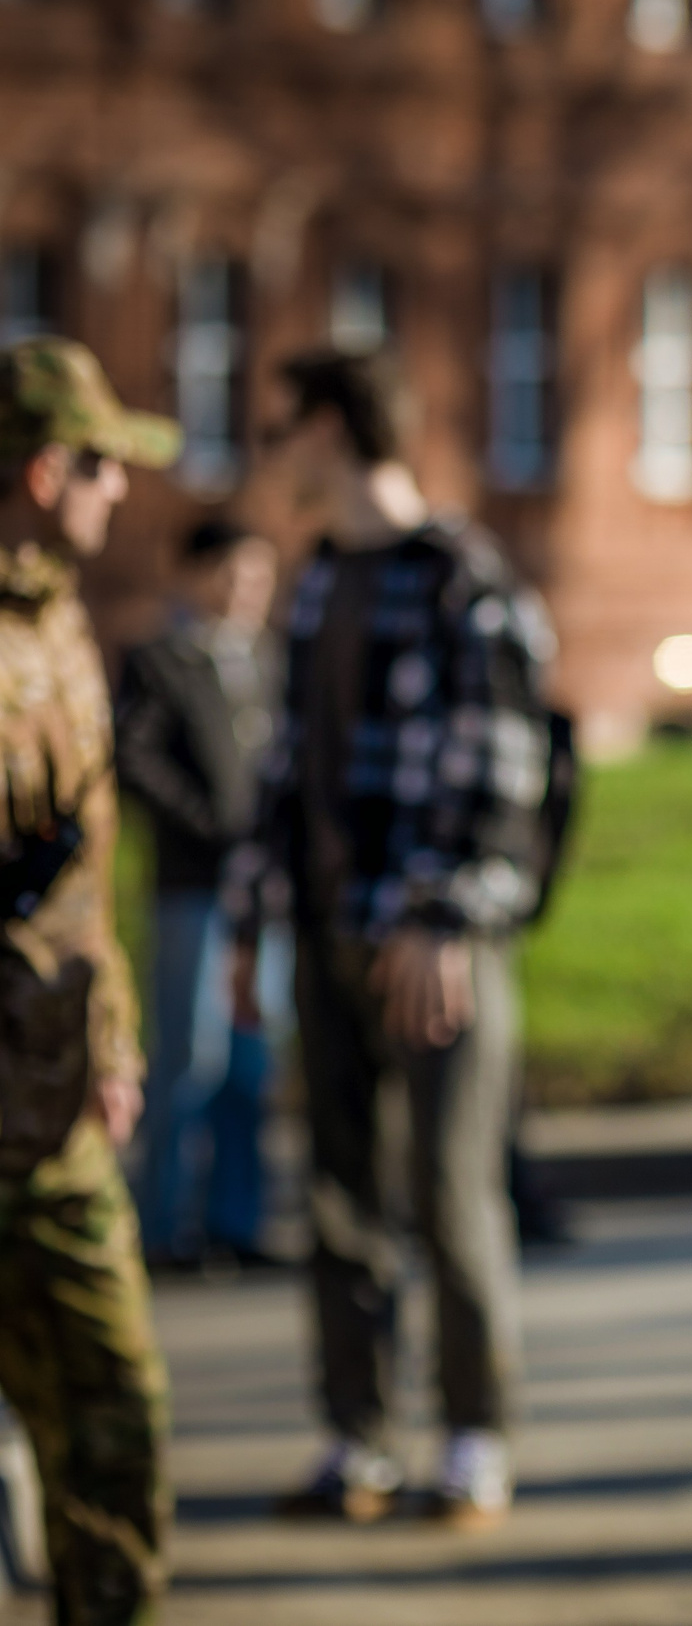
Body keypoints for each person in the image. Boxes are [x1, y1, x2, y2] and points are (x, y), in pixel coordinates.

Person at [229, 349, 555, 1530]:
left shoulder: (465, 579)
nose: (274, 459)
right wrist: (249, 918)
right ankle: (357, 1438)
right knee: (336, 1199)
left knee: (452, 1195)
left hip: (436, 948)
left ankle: (475, 1439)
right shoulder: (318, 582)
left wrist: (439, 915)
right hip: (323, 938)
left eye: (280, 432)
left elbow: (506, 774)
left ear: (328, 427)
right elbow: (284, 766)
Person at [0, 337, 177, 1625]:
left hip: (51, 1109)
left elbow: (86, 870)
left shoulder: (58, 615)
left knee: (117, 1427)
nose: (124, 490)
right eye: (107, 466)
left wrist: (109, 1043)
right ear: (46, 468)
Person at [116, 518, 282, 1271]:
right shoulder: (161, 659)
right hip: (194, 885)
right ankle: (162, 1224)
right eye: (233, 575)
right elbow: (135, 756)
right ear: (197, 572)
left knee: (252, 1062)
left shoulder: (268, 660)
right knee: (190, 1058)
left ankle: (237, 1220)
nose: (247, 592)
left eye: (259, 578)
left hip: (262, 895)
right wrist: (207, 822)